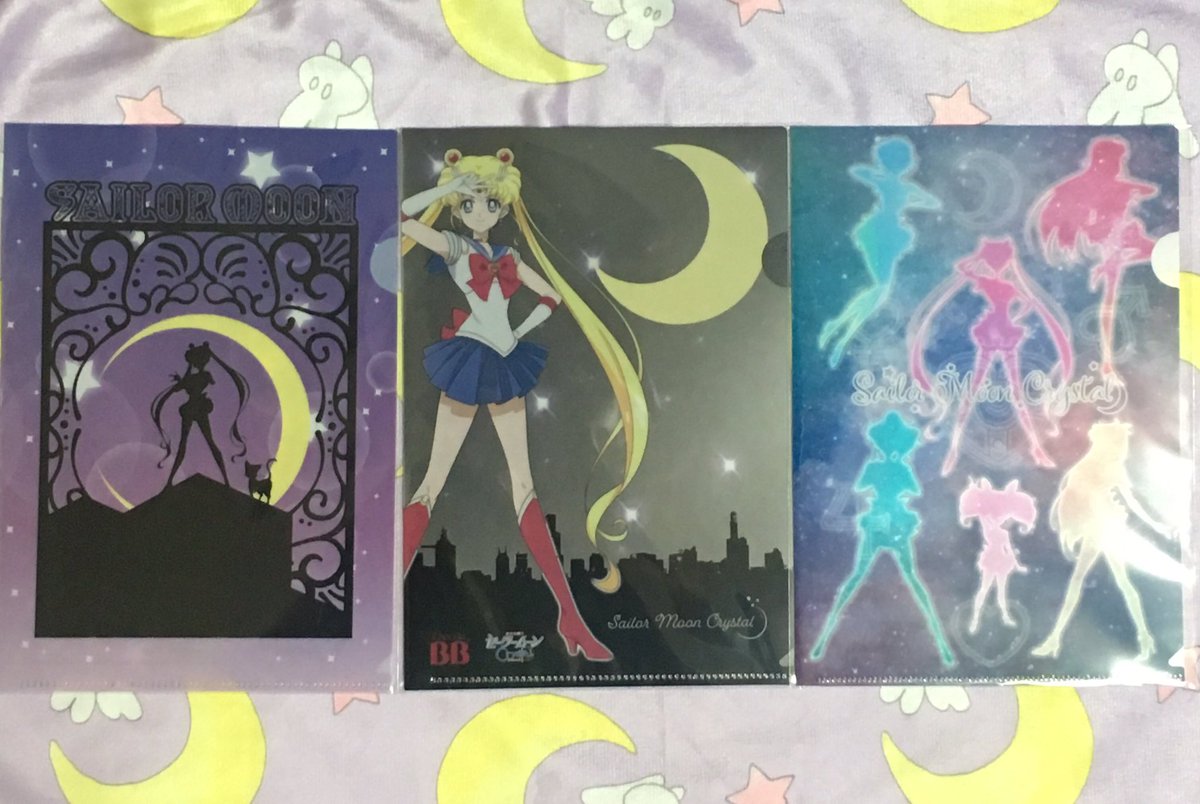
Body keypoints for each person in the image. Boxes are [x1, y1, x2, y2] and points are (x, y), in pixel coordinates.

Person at [398, 148, 649, 662]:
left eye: (490, 203)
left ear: (505, 205)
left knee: (525, 486)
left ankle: (570, 617)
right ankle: (385, 605)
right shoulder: (454, 245)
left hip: (504, 362)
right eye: (470, 203)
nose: (480, 211)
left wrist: (518, 330)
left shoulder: (509, 257)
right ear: (457, 208)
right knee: (430, 485)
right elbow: (402, 216)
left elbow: (551, 298)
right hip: (468, 360)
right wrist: (448, 188)